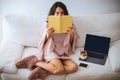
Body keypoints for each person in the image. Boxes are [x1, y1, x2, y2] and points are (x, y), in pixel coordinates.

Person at [16, 1, 79, 80]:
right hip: (51, 51)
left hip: (63, 52)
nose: (60, 15)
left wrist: (72, 34)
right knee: (59, 69)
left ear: (65, 14)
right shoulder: (47, 25)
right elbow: (41, 42)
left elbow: (71, 43)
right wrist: (48, 35)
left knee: (74, 67)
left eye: (62, 13)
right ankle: (34, 62)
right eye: (57, 13)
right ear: (53, 14)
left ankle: (43, 70)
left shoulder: (70, 25)